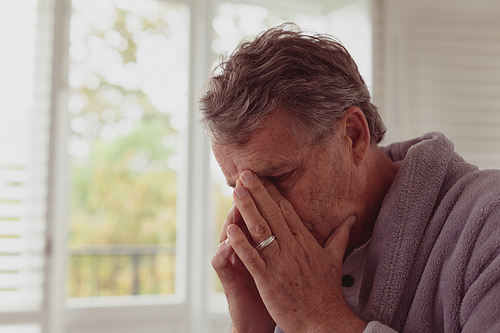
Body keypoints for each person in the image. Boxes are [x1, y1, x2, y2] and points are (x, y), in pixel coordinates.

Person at [199, 23, 500, 333]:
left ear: (353, 135)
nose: (260, 214)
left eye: (278, 176)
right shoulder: (286, 276)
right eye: (241, 191)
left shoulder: (489, 221)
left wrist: (319, 318)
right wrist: (251, 328)